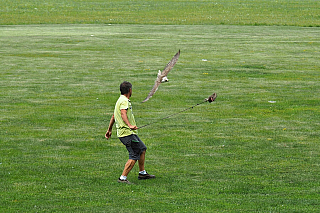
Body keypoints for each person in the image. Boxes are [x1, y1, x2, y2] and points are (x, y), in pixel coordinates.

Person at [105, 81, 155, 184]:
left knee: (142, 149)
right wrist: (130, 125)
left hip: (127, 133)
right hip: (127, 134)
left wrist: (109, 129)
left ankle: (142, 173)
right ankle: (122, 178)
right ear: (130, 90)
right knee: (134, 154)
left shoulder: (119, 100)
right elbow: (123, 113)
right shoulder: (124, 101)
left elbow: (114, 116)